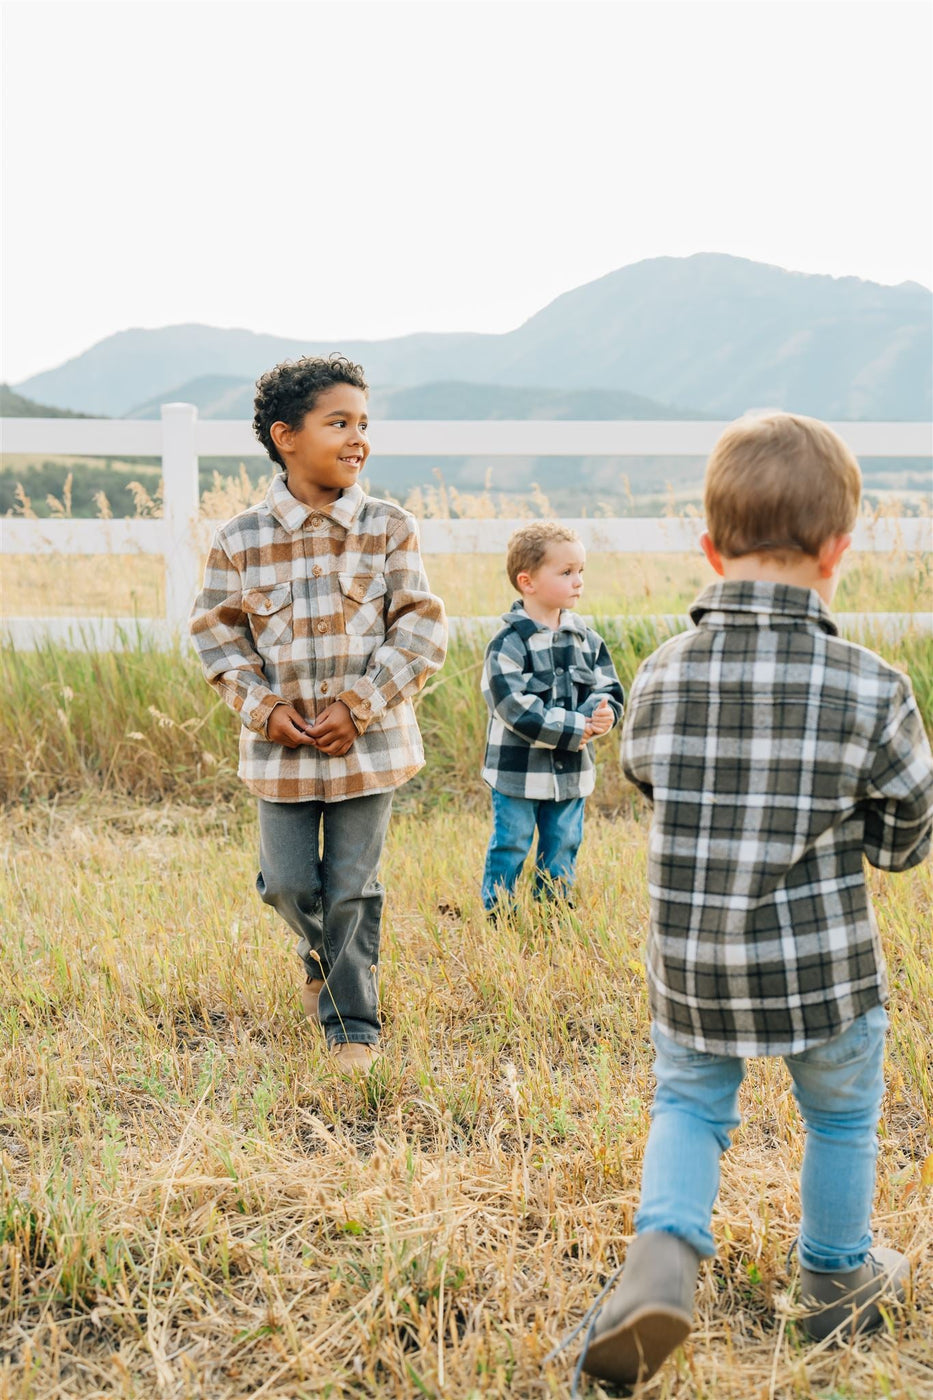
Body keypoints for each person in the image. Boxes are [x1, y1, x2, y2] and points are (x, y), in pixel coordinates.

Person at [578, 412, 933, 1388]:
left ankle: (663, 1256)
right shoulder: (874, 686)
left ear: (708, 547)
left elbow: (647, 775)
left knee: (690, 1102)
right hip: (824, 968)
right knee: (843, 1117)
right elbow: (909, 829)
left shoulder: (659, 674)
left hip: (696, 961)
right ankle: (832, 1277)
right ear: (838, 551)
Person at [190, 353, 447, 1073]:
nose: (358, 438)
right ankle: (319, 960)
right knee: (290, 884)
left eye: (364, 423)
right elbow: (218, 637)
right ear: (285, 436)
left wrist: (358, 705)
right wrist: (263, 708)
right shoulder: (239, 539)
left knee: (353, 888)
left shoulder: (389, 527)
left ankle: (351, 1025)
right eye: (338, 423)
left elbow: (420, 629)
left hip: (370, 745)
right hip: (280, 748)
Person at [480, 521, 624, 915]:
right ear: (527, 582)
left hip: (570, 773)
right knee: (512, 841)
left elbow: (607, 688)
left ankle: (553, 912)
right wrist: (577, 728)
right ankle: (501, 913)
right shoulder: (508, 643)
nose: (578, 581)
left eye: (581, 571)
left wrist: (604, 714)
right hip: (518, 773)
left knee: (562, 842)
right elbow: (514, 707)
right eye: (566, 572)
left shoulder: (586, 639)